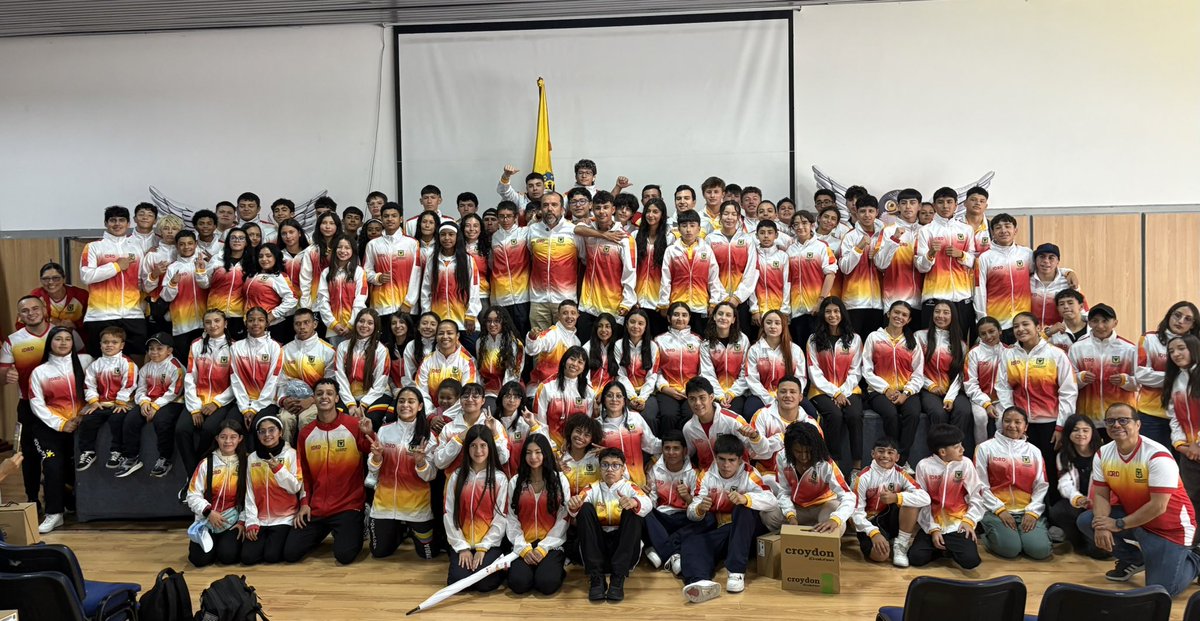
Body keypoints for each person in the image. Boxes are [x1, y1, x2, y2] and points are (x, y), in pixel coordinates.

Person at [1077, 404, 1200, 596]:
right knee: (1087, 521)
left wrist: (1118, 523)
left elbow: (1158, 506)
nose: (1116, 425)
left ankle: (1196, 559)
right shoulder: (1103, 453)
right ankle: (1134, 559)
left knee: (1162, 591)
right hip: (1137, 519)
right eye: (1110, 421)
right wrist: (1102, 525)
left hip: (1171, 528)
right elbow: (1101, 494)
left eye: (1123, 420)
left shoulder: (1157, 455)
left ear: (1138, 424)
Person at [284, 378, 373, 565]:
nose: (324, 397)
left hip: (348, 505)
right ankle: (322, 531)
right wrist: (305, 503)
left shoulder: (352, 425)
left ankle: (359, 520)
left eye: (329, 393)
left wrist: (370, 433)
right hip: (317, 508)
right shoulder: (305, 433)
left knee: (344, 556)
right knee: (290, 553)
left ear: (337, 398)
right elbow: (304, 474)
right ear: (314, 399)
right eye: (319, 393)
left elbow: (372, 452)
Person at [680, 434, 776, 603]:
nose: (726, 465)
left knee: (743, 509)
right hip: (724, 530)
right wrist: (700, 509)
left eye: (731, 460)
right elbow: (691, 511)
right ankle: (700, 582)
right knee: (693, 542)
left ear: (740, 459)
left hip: (749, 531)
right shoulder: (706, 475)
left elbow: (771, 500)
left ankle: (736, 573)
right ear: (715, 457)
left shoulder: (750, 473)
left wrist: (746, 499)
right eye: (721, 459)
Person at [995, 312, 1077, 484]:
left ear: (1038, 328)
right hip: (1021, 424)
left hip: (1050, 423)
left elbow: (1068, 392)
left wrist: (1061, 426)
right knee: (1025, 469)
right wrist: (1013, 418)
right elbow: (1003, 388)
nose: (1020, 329)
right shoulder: (1008, 355)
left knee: (1050, 468)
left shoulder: (1056, 354)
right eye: (1016, 326)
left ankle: (1052, 508)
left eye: (1025, 324)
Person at [28, 327, 93, 533]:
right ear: (50, 343)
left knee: (76, 466)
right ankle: (54, 513)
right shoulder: (40, 371)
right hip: (49, 427)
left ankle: (74, 504)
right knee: (53, 464)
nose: (63, 343)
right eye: (58, 339)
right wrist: (62, 424)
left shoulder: (86, 362)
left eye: (68, 339)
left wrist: (83, 415)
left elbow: (97, 388)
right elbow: (36, 404)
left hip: (80, 423)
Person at [568, 447, 652, 602]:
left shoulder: (630, 487)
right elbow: (575, 507)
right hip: (597, 549)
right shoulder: (592, 488)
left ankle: (618, 579)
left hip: (622, 550)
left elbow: (647, 503)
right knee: (584, 508)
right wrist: (573, 505)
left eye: (615, 465)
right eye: (605, 465)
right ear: (600, 469)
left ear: (623, 469)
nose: (610, 469)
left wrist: (634, 502)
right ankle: (596, 578)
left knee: (634, 510)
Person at [367, 386, 439, 560]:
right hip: (384, 504)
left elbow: (430, 476)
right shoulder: (385, 430)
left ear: (420, 406)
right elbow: (373, 469)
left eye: (411, 401)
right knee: (379, 552)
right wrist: (376, 457)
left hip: (416, 507)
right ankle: (399, 530)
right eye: (401, 401)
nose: (405, 405)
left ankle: (410, 528)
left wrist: (421, 462)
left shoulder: (428, 436)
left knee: (428, 555)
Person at [974, 406, 1053, 560]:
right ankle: (989, 534)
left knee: (1040, 551)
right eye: (1007, 421)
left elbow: (1041, 485)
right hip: (995, 510)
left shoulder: (1034, 451)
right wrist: (999, 509)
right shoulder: (985, 448)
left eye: (1018, 422)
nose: (1012, 426)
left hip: (1026, 510)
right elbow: (979, 484)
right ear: (1001, 423)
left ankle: (1024, 534)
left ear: (1025, 426)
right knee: (1010, 550)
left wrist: (1033, 511)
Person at [907, 424, 985, 570]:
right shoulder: (923, 466)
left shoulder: (966, 464)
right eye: (957, 447)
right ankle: (945, 548)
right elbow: (922, 502)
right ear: (942, 451)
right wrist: (933, 529)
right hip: (933, 524)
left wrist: (969, 521)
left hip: (958, 524)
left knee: (971, 561)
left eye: (961, 445)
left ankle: (946, 548)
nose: (962, 449)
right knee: (915, 558)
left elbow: (977, 496)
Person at [444, 424, 509, 592]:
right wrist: (462, 547)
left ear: (490, 447)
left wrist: (483, 548)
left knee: (484, 585)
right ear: (467, 449)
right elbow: (449, 513)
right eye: (473, 445)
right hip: (462, 543)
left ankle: (500, 566)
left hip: (489, 545)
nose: (478, 450)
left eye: (483, 445)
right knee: (457, 584)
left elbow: (501, 517)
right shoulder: (457, 477)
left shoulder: (500, 479)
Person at [1, 296, 51, 511]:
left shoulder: (62, 334)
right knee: (29, 455)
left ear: (44, 310)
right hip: (27, 406)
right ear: (19, 316)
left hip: (59, 407)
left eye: (35, 308)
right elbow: (2, 374)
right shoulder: (13, 341)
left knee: (55, 455)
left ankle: (61, 500)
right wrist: (6, 375)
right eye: (25, 311)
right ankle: (33, 500)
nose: (31, 313)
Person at [177, 310, 240, 478]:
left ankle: (202, 469)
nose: (213, 325)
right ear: (204, 325)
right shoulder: (196, 345)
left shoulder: (235, 347)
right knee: (181, 430)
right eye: (208, 322)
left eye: (217, 321)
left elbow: (236, 383)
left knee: (209, 430)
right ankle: (193, 475)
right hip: (197, 400)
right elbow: (190, 377)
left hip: (222, 401)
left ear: (225, 323)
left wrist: (217, 403)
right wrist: (195, 408)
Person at [506, 433, 571, 595]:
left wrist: (543, 548)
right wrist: (523, 548)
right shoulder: (516, 481)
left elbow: (564, 517)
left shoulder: (559, 481)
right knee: (518, 584)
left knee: (547, 584)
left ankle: (556, 567)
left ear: (546, 453)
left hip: (551, 545)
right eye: (528, 453)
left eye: (538, 452)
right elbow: (511, 518)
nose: (533, 457)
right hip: (524, 544)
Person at [861, 301, 925, 467]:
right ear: (888, 314)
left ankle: (900, 461)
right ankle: (890, 456)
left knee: (912, 414)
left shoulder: (912, 341)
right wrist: (886, 389)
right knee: (890, 415)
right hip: (878, 390)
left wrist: (907, 393)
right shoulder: (874, 338)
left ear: (909, 320)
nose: (899, 317)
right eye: (896, 312)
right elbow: (867, 370)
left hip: (906, 390)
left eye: (904, 315)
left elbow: (918, 373)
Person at [851, 436, 930, 567]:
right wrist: (873, 533)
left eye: (890, 452)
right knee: (880, 556)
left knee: (910, 501)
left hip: (891, 519)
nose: (885, 456)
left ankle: (901, 546)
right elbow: (856, 513)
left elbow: (925, 498)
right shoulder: (863, 477)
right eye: (880, 451)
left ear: (897, 457)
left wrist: (897, 497)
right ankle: (887, 540)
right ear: (872, 454)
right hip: (870, 523)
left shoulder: (901, 474)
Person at [80, 205, 147, 358]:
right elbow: (86, 276)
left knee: (136, 361)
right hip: (101, 316)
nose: (117, 224)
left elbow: (141, 281)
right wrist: (116, 266)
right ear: (105, 223)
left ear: (128, 224)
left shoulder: (136, 248)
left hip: (133, 315)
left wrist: (154, 277)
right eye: (112, 220)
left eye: (121, 220)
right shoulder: (93, 247)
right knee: (101, 365)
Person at [762, 421, 853, 534]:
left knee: (835, 526)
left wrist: (835, 519)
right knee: (769, 515)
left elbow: (848, 496)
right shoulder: (782, 457)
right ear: (790, 449)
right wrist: (790, 515)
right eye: (798, 451)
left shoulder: (826, 464)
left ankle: (818, 536)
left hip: (824, 506)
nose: (804, 457)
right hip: (797, 508)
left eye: (808, 451)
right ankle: (797, 536)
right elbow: (784, 492)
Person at [807, 296, 865, 470]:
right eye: (828, 311)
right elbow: (813, 371)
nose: (832, 315)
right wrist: (835, 393)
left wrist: (843, 391)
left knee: (854, 415)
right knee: (835, 415)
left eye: (836, 311)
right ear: (823, 315)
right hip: (820, 390)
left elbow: (856, 370)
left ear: (842, 313)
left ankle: (857, 466)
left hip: (849, 389)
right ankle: (835, 465)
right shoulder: (813, 339)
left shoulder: (854, 339)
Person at [915, 299, 975, 457]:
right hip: (927, 388)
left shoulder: (960, 344)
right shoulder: (920, 336)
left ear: (953, 316)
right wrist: (931, 386)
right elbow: (915, 368)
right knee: (938, 413)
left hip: (953, 389)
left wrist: (950, 396)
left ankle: (955, 452)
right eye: (937, 311)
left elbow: (960, 374)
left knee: (963, 410)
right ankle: (937, 453)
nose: (940, 315)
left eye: (946, 312)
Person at [240, 413, 302, 565]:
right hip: (260, 519)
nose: (267, 435)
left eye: (272, 430)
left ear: (280, 432)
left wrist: (279, 470)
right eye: (262, 431)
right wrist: (251, 521)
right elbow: (249, 492)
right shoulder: (252, 458)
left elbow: (295, 487)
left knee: (272, 556)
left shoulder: (291, 454)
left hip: (284, 518)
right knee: (248, 558)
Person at [914, 187, 976, 339]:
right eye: (940, 202)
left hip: (962, 296)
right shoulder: (926, 231)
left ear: (956, 205)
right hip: (935, 295)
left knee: (959, 344)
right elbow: (921, 267)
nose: (945, 206)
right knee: (932, 344)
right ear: (934, 206)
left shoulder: (967, 230)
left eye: (949, 202)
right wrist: (930, 254)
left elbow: (975, 261)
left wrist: (961, 255)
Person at [184, 418, 247, 566]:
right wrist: (208, 512)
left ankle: (224, 544)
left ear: (240, 439)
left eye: (233, 437)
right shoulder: (206, 463)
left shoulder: (246, 462)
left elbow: (250, 496)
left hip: (232, 521)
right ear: (217, 438)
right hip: (208, 519)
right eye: (223, 437)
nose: (228, 441)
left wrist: (242, 521)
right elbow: (192, 494)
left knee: (228, 557)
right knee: (199, 561)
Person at [1137, 302, 1200, 448]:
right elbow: (1141, 375)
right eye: (1177, 315)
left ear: (1193, 324)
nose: (1180, 321)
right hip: (1151, 414)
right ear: (1169, 316)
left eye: (1187, 319)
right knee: (1155, 460)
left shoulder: (1196, 345)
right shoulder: (1149, 339)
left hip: (1186, 416)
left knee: (1184, 462)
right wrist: (1178, 377)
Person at [75, 326, 138, 471]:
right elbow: (88, 384)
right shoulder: (95, 365)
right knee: (88, 420)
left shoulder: (127, 363)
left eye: (114, 342)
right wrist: (94, 402)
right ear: (100, 344)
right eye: (105, 342)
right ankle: (88, 452)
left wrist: (121, 401)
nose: (109, 345)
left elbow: (129, 383)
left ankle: (117, 452)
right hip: (101, 404)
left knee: (117, 420)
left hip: (122, 404)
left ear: (122, 345)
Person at [575, 191, 636, 340]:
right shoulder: (588, 232)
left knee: (609, 355)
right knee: (585, 349)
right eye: (598, 208)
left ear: (613, 209)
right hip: (587, 305)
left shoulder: (624, 239)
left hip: (612, 307)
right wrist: (603, 235)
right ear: (592, 209)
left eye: (606, 207)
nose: (602, 212)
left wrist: (627, 303)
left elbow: (630, 273)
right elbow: (583, 255)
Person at [124, 333, 186, 478]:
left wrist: (156, 406)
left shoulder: (176, 367)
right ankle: (131, 457)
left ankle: (165, 458)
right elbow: (141, 389)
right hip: (150, 402)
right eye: (151, 349)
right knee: (131, 419)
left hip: (172, 402)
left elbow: (175, 392)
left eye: (159, 348)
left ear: (169, 350)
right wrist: (144, 402)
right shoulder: (146, 368)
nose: (154, 352)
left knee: (162, 421)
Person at [1069, 303, 1139, 427]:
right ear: (1089, 323)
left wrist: (1125, 380)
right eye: (1095, 321)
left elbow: (1140, 384)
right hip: (1088, 419)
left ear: (1115, 323)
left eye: (1105, 321)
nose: (1100, 326)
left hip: (1120, 419)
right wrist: (1081, 378)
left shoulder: (1129, 349)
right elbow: (1068, 383)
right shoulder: (1077, 348)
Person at [658, 210, 727, 334]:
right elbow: (666, 279)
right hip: (678, 305)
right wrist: (664, 303)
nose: (688, 230)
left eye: (692, 226)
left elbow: (713, 278)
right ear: (678, 229)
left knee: (700, 340)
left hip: (700, 306)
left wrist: (714, 302)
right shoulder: (672, 251)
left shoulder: (707, 250)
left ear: (699, 228)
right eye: (684, 226)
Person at [655, 303, 719, 434]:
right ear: (668, 318)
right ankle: (668, 449)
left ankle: (688, 451)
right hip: (668, 389)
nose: (680, 318)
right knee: (669, 415)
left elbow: (703, 369)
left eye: (684, 315)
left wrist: (692, 388)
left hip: (692, 391)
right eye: (676, 315)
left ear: (689, 318)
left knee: (691, 415)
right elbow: (656, 370)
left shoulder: (698, 340)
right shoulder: (659, 340)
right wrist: (664, 388)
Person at [681, 377, 768, 470]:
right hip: (707, 479)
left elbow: (762, 451)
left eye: (702, 398)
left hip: (738, 475)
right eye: (692, 399)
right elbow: (686, 457)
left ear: (711, 398)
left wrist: (755, 437)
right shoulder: (688, 428)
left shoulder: (732, 420)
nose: (697, 403)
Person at [644, 430, 700, 575]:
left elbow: (697, 507)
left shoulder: (694, 472)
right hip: (662, 518)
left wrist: (687, 497)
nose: (671, 452)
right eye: (667, 448)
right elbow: (652, 501)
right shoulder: (654, 470)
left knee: (708, 520)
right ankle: (672, 554)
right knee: (643, 511)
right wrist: (645, 495)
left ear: (685, 451)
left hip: (684, 518)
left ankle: (655, 547)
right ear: (662, 450)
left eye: (676, 448)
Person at [1048, 414, 1103, 557]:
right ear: (1068, 433)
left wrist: (1096, 500)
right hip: (1079, 503)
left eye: (1085, 430)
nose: (1081, 434)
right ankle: (1077, 542)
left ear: (1092, 432)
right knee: (1058, 510)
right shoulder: (1063, 455)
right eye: (1076, 430)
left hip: (1101, 503)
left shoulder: (1104, 453)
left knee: (1101, 553)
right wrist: (1077, 498)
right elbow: (1064, 483)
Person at [229, 307, 284, 448]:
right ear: (246, 323)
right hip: (242, 402)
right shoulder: (236, 347)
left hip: (267, 401)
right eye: (251, 320)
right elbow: (235, 379)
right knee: (229, 427)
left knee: (257, 426)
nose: (255, 323)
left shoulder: (275, 347)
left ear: (267, 323)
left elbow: (273, 380)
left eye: (260, 320)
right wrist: (245, 407)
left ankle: (258, 464)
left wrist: (254, 408)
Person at [363, 203, 421, 336]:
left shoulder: (411, 243)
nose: (390, 219)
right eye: (386, 216)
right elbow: (366, 271)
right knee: (386, 346)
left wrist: (409, 302)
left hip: (406, 307)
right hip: (381, 307)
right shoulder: (373, 244)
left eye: (394, 216)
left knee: (408, 347)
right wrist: (377, 278)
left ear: (401, 219)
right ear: (382, 219)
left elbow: (417, 275)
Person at [972, 214, 1031, 342]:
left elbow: (1043, 272)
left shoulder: (1027, 254)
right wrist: (983, 320)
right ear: (992, 232)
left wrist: (1067, 272)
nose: (1003, 230)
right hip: (998, 323)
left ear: (1015, 230)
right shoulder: (984, 258)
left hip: (1024, 323)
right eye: (998, 227)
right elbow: (979, 291)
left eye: (1007, 226)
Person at [421, 223, 481, 347]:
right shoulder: (432, 260)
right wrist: (427, 315)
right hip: (439, 321)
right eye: (443, 235)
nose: (447, 238)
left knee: (472, 354)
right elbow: (426, 290)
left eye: (451, 234)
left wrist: (471, 314)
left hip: (463, 321)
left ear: (457, 237)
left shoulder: (467, 259)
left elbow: (474, 288)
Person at [278, 309, 336, 438]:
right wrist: (284, 400)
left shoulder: (328, 351)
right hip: (291, 402)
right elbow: (280, 381)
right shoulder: (284, 351)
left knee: (305, 419)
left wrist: (311, 400)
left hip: (317, 401)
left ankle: (307, 455)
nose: (302, 327)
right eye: (298, 324)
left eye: (306, 322)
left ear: (314, 324)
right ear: (293, 326)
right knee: (285, 419)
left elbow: (331, 384)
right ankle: (287, 456)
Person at [432, 383, 511, 475]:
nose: (470, 399)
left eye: (475, 396)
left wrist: (494, 433)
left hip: (484, 482)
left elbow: (503, 459)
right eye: (465, 396)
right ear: (460, 400)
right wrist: (458, 439)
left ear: (483, 400)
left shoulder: (495, 425)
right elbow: (439, 462)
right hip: (454, 484)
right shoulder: (448, 428)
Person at [527, 192, 577, 334]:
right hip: (538, 299)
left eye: (554, 205)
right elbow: (531, 255)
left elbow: (583, 258)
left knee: (564, 345)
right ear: (540, 209)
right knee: (539, 344)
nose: (550, 209)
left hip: (565, 299)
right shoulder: (533, 230)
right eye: (545, 205)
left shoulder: (573, 230)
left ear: (562, 209)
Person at [706, 201, 757, 337]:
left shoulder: (747, 240)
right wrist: (719, 297)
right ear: (720, 216)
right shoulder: (710, 239)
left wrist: (736, 298)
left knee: (741, 339)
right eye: (726, 214)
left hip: (741, 301)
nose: (730, 217)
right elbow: (709, 271)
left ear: (739, 217)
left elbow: (751, 271)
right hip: (716, 299)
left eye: (734, 214)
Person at [787, 210, 837, 349]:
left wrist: (820, 302)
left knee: (820, 349)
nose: (800, 227)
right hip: (797, 310)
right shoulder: (790, 250)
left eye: (804, 223)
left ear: (812, 225)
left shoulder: (821, 246)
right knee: (801, 349)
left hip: (818, 308)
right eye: (796, 224)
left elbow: (830, 274)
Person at [334, 309, 392, 430]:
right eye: (361, 321)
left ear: (375, 327)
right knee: (340, 421)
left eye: (370, 323)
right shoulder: (343, 347)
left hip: (376, 395)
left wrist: (363, 405)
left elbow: (380, 383)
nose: (365, 325)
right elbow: (340, 377)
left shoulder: (381, 350)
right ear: (355, 323)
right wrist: (350, 404)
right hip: (348, 395)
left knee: (370, 421)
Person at [838, 194, 885, 340]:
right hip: (854, 302)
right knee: (853, 345)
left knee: (873, 347)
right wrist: (859, 248)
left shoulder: (884, 235)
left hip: (878, 303)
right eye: (863, 211)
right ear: (856, 213)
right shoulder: (850, 236)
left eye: (871, 211)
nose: (867, 215)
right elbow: (844, 267)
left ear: (877, 212)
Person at [597, 381, 661, 488]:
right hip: (612, 484)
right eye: (609, 396)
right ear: (603, 399)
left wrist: (655, 459)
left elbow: (652, 444)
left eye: (618, 396)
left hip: (638, 482)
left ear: (624, 400)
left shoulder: (635, 418)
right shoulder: (598, 425)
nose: (614, 399)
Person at [158, 230, 211, 361]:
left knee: (205, 362)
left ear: (196, 244)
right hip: (182, 325)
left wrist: (201, 271)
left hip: (206, 324)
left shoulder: (205, 263)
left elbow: (209, 286)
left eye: (190, 243)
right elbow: (166, 297)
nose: (186, 247)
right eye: (182, 244)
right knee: (185, 362)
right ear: (176, 246)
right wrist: (172, 283)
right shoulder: (173, 267)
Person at [743, 310, 805, 419]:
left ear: (783, 326)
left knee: (811, 412)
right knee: (749, 412)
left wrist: (789, 395)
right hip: (761, 394)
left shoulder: (795, 350)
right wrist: (770, 399)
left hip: (788, 394)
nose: (772, 326)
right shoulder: (754, 350)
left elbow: (801, 378)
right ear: (763, 326)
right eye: (768, 322)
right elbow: (752, 379)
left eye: (777, 323)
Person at [414, 319, 480, 414]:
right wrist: (431, 415)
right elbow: (421, 391)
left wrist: (447, 416)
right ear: (436, 337)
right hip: (431, 416)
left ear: (457, 336)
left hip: (459, 415)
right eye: (441, 333)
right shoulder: (427, 361)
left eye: (449, 333)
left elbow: (467, 394)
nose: (445, 337)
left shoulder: (467, 362)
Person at [534, 346, 593, 450]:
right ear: (564, 361)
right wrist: (550, 447)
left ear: (584, 368)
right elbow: (540, 422)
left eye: (580, 362)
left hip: (576, 447)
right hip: (549, 445)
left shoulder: (588, 392)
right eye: (572, 359)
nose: (575, 364)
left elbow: (586, 425)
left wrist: (573, 446)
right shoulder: (546, 387)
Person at [1165, 334, 1200, 508]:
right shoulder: (1176, 380)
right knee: (1191, 499)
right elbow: (1174, 417)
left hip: (1196, 448)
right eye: (1171, 351)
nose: (1176, 354)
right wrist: (1180, 445)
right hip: (1189, 453)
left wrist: (1198, 444)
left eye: (1181, 348)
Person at [874, 189, 924, 312]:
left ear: (919, 206)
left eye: (912, 203)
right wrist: (894, 239)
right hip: (894, 300)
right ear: (898, 206)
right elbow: (880, 264)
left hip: (922, 300)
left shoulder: (925, 231)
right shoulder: (888, 231)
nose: (908, 207)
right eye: (903, 203)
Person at [316, 234, 368, 348]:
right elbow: (322, 301)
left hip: (355, 326)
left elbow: (360, 300)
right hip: (333, 327)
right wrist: (333, 323)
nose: (343, 250)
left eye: (347, 248)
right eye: (340, 247)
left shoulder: (359, 272)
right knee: (336, 359)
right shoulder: (326, 272)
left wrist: (351, 324)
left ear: (353, 251)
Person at [489, 200, 532, 337]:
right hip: (501, 296)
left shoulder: (524, 233)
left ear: (515, 217)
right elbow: (492, 264)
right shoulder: (494, 237)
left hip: (522, 296)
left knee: (523, 334)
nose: (505, 219)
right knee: (506, 336)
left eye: (508, 216)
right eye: (501, 216)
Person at [964, 317, 1007, 447]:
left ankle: (1000, 453)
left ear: (1000, 331)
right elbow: (970, 384)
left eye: (992, 331)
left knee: (1002, 420)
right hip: (979, 398)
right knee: (980, 417)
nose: (988, 336)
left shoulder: (1008, 352)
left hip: (1002, 399)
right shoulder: (974, 353)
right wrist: (986, 404)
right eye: (983, 333)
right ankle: (980, 451)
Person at [244, 243, 298, 344]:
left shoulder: (279, 276)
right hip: (253, 326)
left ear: (276, 257)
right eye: (260, 256)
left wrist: (273, 315)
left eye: (268, 256)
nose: (264, 259)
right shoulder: (251, 275)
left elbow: (292, 298)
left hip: (273, 327)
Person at [524, 299, 581, 396]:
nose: (569, 317)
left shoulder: (576, 341)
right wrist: (532, 337)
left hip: (563, 392)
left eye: (573, 313)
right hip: (541, 390)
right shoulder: (552, 334)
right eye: (565, 313)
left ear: (578, 315)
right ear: (558, 316)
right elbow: (533, 349)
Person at [614, 309, 660, 428]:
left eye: (640, 323)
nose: (636, 326)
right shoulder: (619, 345)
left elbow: (652, 375)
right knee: (625, 417)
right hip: (625, 392)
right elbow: (621, 375)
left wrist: (642, 398)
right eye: (632, 322)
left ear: (646, 326)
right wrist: (632, 397)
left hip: (648, 393)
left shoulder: (653, 346)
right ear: (626, 324)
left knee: (649, 418)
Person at [701, 301, 748, 415]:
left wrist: (732, 393)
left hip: (738, 392)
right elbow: (707, 374)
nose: (723, 317)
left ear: (733, 320)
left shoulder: (743, 340)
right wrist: (720, 395)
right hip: (714, 392)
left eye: (728, 315)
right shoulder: (706, 344)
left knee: (733, 414)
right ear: (714, 317)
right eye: (720, 314)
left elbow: (745, 371)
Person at [634, 199, 673, 336]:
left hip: (657, 303)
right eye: (648, 211)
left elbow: (670, 274)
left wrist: (664, 302)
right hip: (637, 302)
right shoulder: (634, 236)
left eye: (655, 212)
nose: (651, 215)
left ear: (662, 215)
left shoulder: (670, 239)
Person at [26, 261, 89, 345]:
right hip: (44, 342)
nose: (51, 282)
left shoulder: (81, 295)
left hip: (78, 341)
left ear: (63, 279)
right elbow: (22, 322)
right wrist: (46, 323)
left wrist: (75, 324)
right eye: (46, 279)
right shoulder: (35, 296)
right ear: (41, 280)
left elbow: (93, 320)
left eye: (56, 278)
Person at [476, 307, 522, 408]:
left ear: (503, 322)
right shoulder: (480, 342)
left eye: (497, 321)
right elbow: (479, 371)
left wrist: (504, 396)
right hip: (486, 391)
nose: (492, 325)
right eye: (489, 321)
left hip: (509, 391)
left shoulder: (514, 343)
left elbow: (514, 374)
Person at [208, 227, 249, 340]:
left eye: (241, 238)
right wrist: (200, 272)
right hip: (216, 312)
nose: (237, 240)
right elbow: (205, 284)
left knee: (236, 348)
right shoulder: (217, 259)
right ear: (228, 241)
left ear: (246, 243)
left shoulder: (251, 262)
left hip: (239, 314)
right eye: (233, 238)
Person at [582, 314, 617, 391]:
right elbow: (584, 376)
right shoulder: (587, 347)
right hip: (589, 392)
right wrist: (591, 394)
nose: (603, 330)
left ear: (613, 329)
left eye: (607, 326)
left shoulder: (617, 348)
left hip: (609, 393)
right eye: (600, 326)